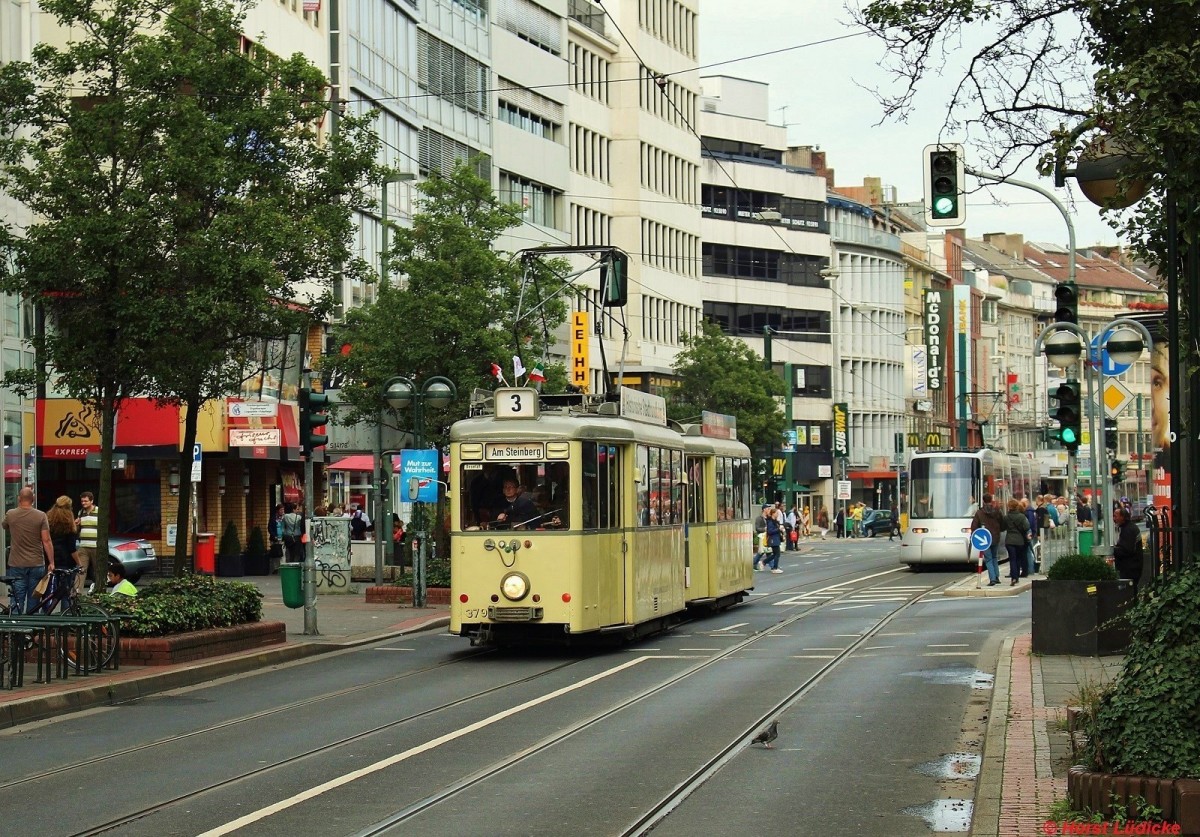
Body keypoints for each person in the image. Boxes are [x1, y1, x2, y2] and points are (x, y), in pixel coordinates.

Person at [2, 486, 55, 614]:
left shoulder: (11, 514)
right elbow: (46, 540)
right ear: (34, 499)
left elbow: (4, 526)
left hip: (17, 563)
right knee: (34, 599)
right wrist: (51, 562)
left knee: (16, 598)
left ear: (19, 498)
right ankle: (31, 629)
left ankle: (15, 626)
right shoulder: (41, 516)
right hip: (36, 562)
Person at [970, 493, 1007, 586]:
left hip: (984, 539)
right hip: (995, 537)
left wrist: (975, 536)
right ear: (991, 500)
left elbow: (974, 526)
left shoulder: (979, 513)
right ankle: (996, 576)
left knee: (988, 559)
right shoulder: (997, 511)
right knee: (994, 557)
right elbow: (1002, 524)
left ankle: (992, 579)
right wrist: (999, 530)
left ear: (983, 501)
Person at [48, 496, 80, 583]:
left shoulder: (48, 519)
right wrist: (79, 563)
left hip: (50, 558)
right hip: (65, 561)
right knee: (64, 589)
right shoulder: (69, 524)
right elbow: (72, 548)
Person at [1112, 506, 1144, 589]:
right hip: (1132, 566)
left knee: (1128, 591)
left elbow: (1126, 550)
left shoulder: (1128, 530)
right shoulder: (1127, 527)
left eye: (1115, 516)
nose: (1114, 518)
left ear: (1122, 517)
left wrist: (1112, 550)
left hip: (1130, 567)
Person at [1003, 498, 1031, 586]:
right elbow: (1026, 527)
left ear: (1009, 507)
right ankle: (1017, 577)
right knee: (1018, 558)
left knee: (1012, 559)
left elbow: (1003, 527)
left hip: (1009, 540)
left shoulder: (1006, 517)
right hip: (1020, 541)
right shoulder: (1022, 517)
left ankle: (1013, 577)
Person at [75, 490, 99, 594]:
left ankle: (99, 591)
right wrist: (76, 524)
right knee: (81, 570)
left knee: (97, 570)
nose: (83, 503)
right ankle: (76, 593)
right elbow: (77, 531)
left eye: (86, 501)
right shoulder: (80, 513)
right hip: (83, 546)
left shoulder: (99, 511)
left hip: (96, 546)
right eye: (82, 501)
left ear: (92, 501)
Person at [761, 505, 784, 573]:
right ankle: (774, 568)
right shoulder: (770, 522)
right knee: (777, 554)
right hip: (773, 539)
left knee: (775, 554)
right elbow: (770, 531)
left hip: (776, 538)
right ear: (773, 514)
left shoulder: (775, 521)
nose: (777, 514)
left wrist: (781, 530)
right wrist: (778, 529)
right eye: (776, 513)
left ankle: (764, 562)